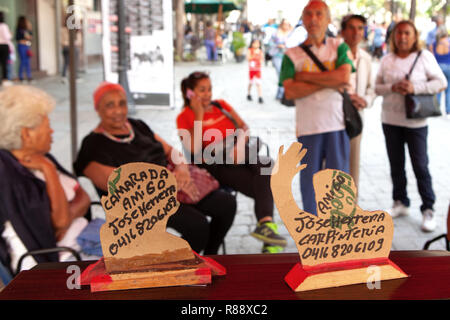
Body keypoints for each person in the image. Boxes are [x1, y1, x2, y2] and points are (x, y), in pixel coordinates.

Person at [73, 82, 236, 255]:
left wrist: (182, 171)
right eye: (110, 105)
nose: (119, 111)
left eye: (122, 103)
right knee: (198, 226)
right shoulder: (92, 146)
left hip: (174, 185)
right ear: (97, 109)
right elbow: (121, 186)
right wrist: (169, 184)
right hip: (141, 205)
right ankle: (175, 267)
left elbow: (171, 152)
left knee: (226, 204)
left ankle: (210, 255)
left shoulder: (137, 126)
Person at [176, 71, 287, 253]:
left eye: (209, 89)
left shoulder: (221, 105)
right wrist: (198, 115)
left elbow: (244, 127)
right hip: (215, 163)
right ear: (190, 93)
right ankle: (268, 233)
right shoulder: (185, 116)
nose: (208, 94)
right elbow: (195, 152)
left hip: (240, 151)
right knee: (266, 178)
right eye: (202, 90)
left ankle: (267, 230)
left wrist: (239, 146)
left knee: (265, 165)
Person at [0, 85, 91, 275]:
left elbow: (83, 197)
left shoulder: (43, 157)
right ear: (26, 134)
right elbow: (59, 222)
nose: (52, 131)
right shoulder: (13, 176)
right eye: (47, 125)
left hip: (81, 242)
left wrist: (68, 215)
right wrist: (49, 171)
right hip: (61, 265)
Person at [279, 0, 355, 216]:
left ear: (328, 19)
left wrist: (304, 77)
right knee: (310, 180)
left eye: (319, 14)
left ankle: (339, 227)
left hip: (337, 123)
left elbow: (343, 76)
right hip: (308, 127)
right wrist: (328, 80)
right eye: (309, 14)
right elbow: (290, 92)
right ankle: (313, 228)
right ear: (302, 19)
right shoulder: (291, 54)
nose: (313, 19)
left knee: (338, 181)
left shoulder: (338, 46)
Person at [375, 20, 447, 232]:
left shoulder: (424, 57)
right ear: (393, 37)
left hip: (416, 122)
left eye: (407, 33)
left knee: (420, 165)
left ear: (414, 36)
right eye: (398, 33)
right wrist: (392, 86)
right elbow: (377, 87)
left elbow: (441, 82)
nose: (403, 37)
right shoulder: (387, 59)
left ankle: (428, 208)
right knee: (396, 165)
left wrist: (414, 87)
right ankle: (400, 202)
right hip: (390, 120)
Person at [340, 14, 375, 191]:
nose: (356, 32)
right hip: (334, 117)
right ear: (343, 31)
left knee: (353, 165)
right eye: (351, 28)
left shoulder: (365, 58)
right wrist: (347, 96)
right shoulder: (335, 54)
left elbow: (371, 88)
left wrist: (364, 100)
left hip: (355, 117)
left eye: (360, 28)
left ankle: (350, 210)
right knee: (332, 166)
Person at [269, 19, 292, 100]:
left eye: (287, 24)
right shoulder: (276, 33)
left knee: (285, 75)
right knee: (280, 73)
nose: (286, 25)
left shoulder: (291, 34)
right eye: (284, 24)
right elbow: (270, 43)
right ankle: (282, 93)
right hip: (277, 55)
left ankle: (280, 93)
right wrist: (277, 45)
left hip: (288, 56)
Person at [60, 15, 82, 83]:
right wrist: (71, 43)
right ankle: (67, 76)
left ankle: (72, 76)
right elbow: (62, 42)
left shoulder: (77, 31)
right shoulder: (63, 30)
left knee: (71, 60)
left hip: (73, 48)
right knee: (67, 61)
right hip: (67, 48)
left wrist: (70, 43)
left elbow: (79, 42)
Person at [433, 31, 450, 116]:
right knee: (448, 90)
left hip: (438, 67)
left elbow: (432, 55)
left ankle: (437, 108)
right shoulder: (448, 42)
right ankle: (448, 110)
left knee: (438, 88)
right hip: (449, 66)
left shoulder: (435, 43)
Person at [15, 16, 33, 83]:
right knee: (23, 61)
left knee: (27, 61)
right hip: (21, 46)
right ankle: (21, 77)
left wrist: (30, 27)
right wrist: (24, 38)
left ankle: (29, 76)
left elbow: (31, 37)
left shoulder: (27, 29)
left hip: (27, 46)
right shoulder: (19, 29)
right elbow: (17, 38)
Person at [247, 39, 264, 103]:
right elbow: (248, 58)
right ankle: (248, 93)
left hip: (258, 69)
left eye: (257, 43)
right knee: (251, 82)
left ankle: (260, 97)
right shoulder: (250, 50)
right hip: (251, 70)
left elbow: (261, 59)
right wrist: (254, 54)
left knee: (258, 83)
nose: (256, 45)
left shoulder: (260, 51)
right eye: (254, 43)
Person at [0, 11, 13, 86]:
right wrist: (10, 34)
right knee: (4, 63)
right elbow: (7, 37)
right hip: (4, 46)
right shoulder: (4, 26)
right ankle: (5, 80)